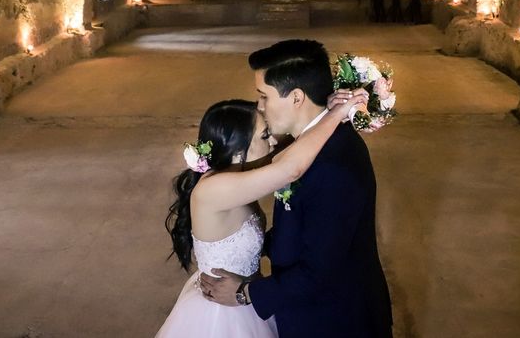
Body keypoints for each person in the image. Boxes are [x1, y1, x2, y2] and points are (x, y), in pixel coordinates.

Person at [200, 39, 393, 338]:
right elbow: (303, 227)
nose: (259, 107)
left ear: (297, 98)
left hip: (335, 321)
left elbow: (318, 271)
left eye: (263, 96)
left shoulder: (333, 164)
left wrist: (245, 294)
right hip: (308, 312)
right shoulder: (309, 143)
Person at [157, 89, 366, 337]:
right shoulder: (214, 189)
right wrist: (336, 114)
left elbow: (296, 145)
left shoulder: (236, 171)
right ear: (238, 150)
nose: (274, 141)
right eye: (265, 135)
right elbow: (291, 168)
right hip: (222, 313)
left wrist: (320, 114)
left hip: (246, 297)